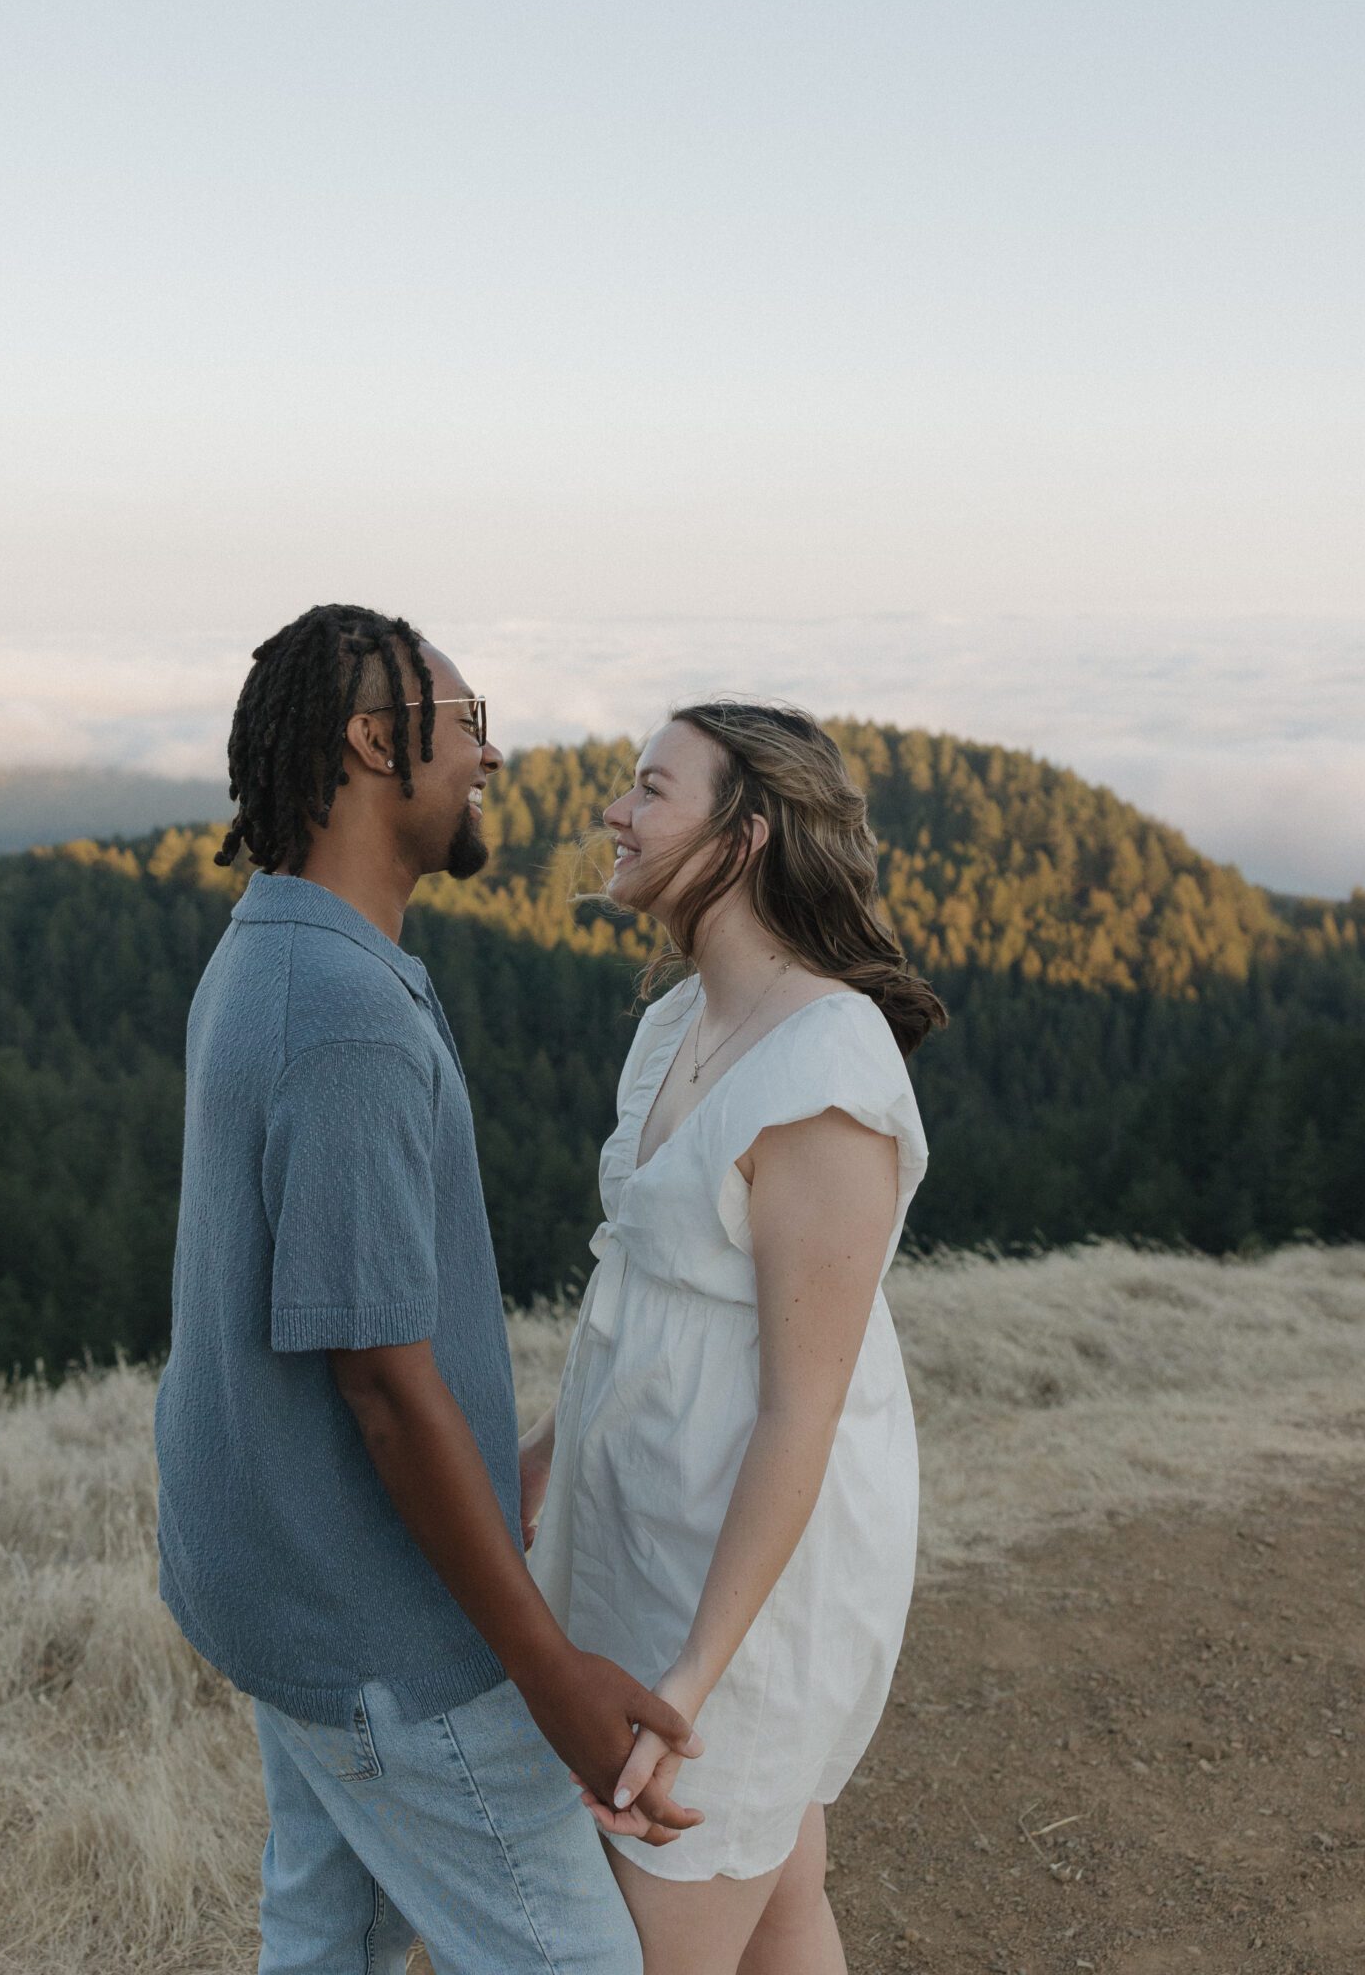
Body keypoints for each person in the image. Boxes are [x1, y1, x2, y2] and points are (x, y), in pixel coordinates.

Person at [153, 603, 701, 1975]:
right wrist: (548, 1675)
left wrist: (503, 1452)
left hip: (274, 1583)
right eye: (464, 726)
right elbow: (383, 1389)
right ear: (370, 739)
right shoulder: (339, 1014)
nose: (491, 756)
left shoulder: (272, 947)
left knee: (326, 1929)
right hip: (380, 1636)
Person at [523, 700, 947, 1973]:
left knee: (651, 1942)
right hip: (641, 1539)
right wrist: (544, 1451)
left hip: (744, 1595)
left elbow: (800, 1411)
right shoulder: (674, 1027)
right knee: (781, 1898)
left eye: (652, 788)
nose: (616, 810)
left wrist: (697, 1681)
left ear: (746, 834)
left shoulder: (826, 1070)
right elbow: (639, 1292)